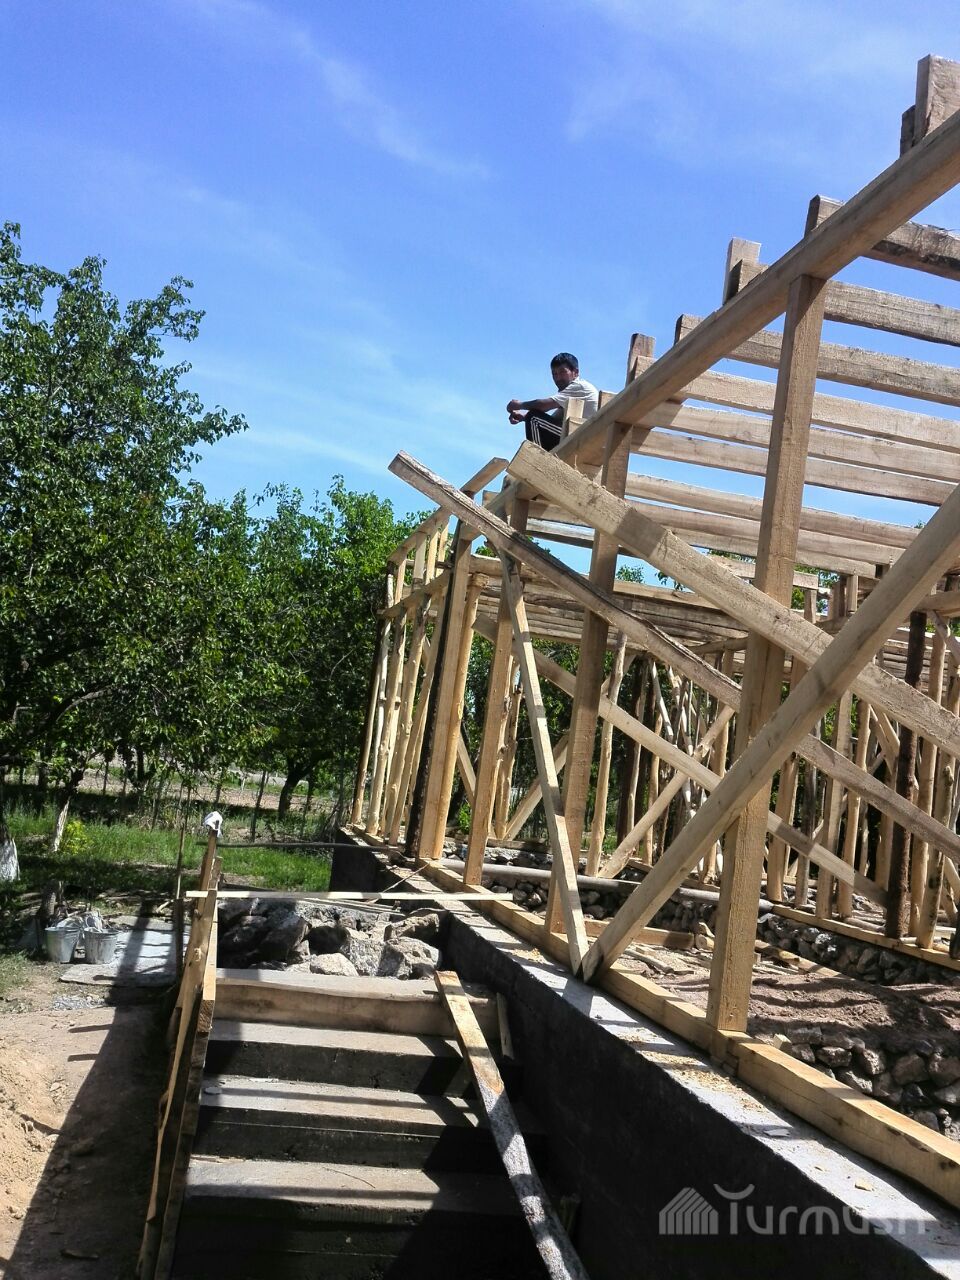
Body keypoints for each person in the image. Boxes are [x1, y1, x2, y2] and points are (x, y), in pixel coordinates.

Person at [506, 353, 599, 452]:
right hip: (581, 438)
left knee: (534, 418)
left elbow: (543, 405)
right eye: (554, 374)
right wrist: (524, 418)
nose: (558, 378)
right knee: (533, 418)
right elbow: (553, 420)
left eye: (562, 372)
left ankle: (537, 458)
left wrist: (519, 405)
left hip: (583, 440)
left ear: (575, 372)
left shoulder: (579, 386)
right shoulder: (568, 396)